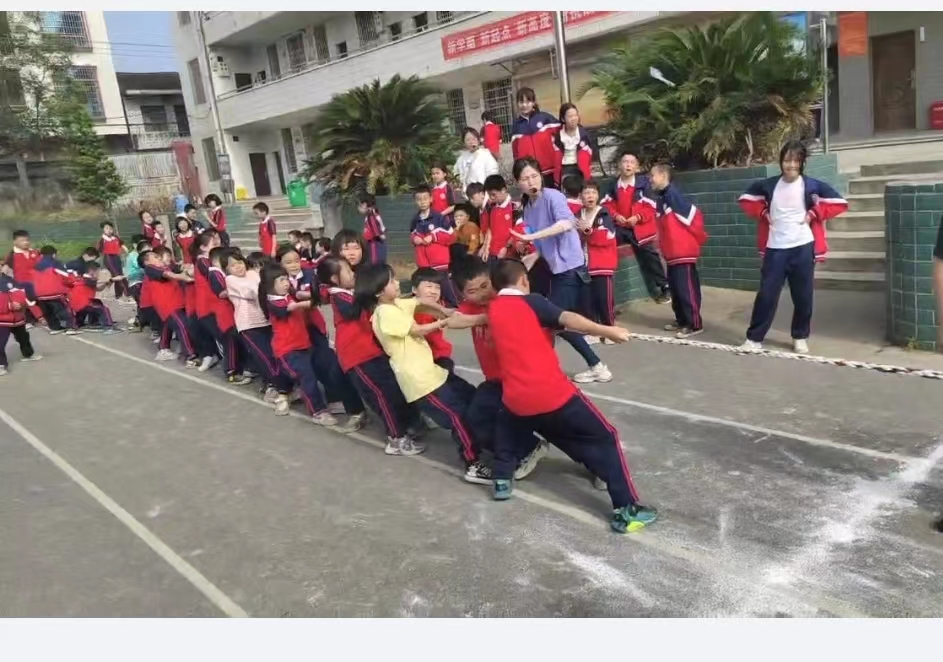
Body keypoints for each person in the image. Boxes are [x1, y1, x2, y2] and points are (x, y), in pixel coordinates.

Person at [486, 258, 657, 531]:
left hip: (517, 399)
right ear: (523, 281)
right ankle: (627, 510)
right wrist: (608, 331)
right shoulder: (533, 301)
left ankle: (502, 479)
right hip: (552, 393)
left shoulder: (494, 309)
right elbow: (570, 319)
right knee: (606, 436)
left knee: (513, 422)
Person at [356, 262, 491, 483]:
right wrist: (447, 321)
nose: (397, 283)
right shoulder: (384, 312)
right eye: (391, 281)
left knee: (471, 396)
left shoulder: (396, 303)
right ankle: (473, 463)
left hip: (431, 372)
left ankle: (487, 442)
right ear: (378, 290)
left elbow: (419, 303)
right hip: (420, 382)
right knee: (456, 416)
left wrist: (444, 309)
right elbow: (417, 329)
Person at [738, 140, 848, 354]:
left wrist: (813, 214)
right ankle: (754, 339)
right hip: (775, 249)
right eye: (787, 160)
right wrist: (763, 213)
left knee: (803, 296)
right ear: (781, 162)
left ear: (802, 163)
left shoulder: (812, 186)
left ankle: (800, 336)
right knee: (767, 294)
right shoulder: (769, 185)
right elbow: (745, 199)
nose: (791, 165)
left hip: (803, 247)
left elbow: (839, 202)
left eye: (796, 161)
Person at [509, 157, 611, 384]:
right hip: (554, 268)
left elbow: (565, 224)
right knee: (554, 320)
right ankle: (588, 365)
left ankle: (594, 366)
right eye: (525, 178)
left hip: (571, 269)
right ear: (518, 183)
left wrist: (531, 237)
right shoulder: (528, 206)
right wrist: (534, 255)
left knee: (555, 319)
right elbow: (546, 240)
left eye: (535, 175)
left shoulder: (553, 196)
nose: (531, 181)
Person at [452, 257, 550, 482]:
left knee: (559, 426)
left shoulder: (509, 302)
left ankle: (598, 466)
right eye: (473, 291)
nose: (482, 294)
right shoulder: (471, 307)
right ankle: (527, 449)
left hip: (527, 378)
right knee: (477, 417)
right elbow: (455, 320)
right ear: (464, 295)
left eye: (485, 286)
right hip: (496, 381)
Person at [318, 255, 420, 454]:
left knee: (391, 390)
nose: (353, 274)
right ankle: (396, 439)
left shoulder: (349, 293)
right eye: (347, 271)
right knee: (381, 395)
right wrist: (372, 289)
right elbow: (354, 309)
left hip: (371, 351)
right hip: (357, 357)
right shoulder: (339, 295)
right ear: (334, 279)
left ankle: (406, 426)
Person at [278, 245, 365, 432]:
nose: (294, 265)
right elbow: (281, 305)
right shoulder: (277, 282)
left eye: (296, 260)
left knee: (330, 364)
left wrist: (312, 296)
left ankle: (338, 400)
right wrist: (303, 298)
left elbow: (324, 292)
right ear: (280, 264)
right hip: (293, 334)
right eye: (288, 262)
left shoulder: (310, 274)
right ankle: (310, 405)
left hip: (313, 327)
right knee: (305, 371)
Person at [258, 263, 338, 427]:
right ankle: (318, 411)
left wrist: (316, 292)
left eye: (286, 278)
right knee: (307, 377)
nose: (286, 282)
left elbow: (302, 297)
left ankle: (284, 393)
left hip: (302, 345)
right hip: (288, 349)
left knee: (300, 375)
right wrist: (311, 301)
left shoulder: (289, 295)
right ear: (270, 285)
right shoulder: (274, 302)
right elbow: (290, 308)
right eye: (281, 280)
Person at [223, 250, 293, 414]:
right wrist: (270, 293)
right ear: (227, 269)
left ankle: (281, 387)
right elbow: (250, 292)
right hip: (248, 325)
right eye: (233, 265)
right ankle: (279, 389)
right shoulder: (230, 280)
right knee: (265, 358)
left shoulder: (253, 274)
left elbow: (264, 285)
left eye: (239, 262)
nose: (238, 267)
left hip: (266, 321)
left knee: (276, 354)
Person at [649, 164, 709, 339]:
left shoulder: (673, 195)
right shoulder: (663, 197)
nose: (650, 179)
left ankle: (694, 323)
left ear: (663, 175)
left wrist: (690, 242)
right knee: (676, 289)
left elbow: (692, 218)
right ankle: (682, 320)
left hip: (682, 252)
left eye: (652, 175)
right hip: (673, 253)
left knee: (686, 289)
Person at [602, 152, 670, 304]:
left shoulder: (644, 184)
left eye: (631, 162)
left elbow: (651, 206)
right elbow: (606, 204)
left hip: (639, 228)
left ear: (636, 167)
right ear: (619, 165)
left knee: (650, 255)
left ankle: (665, 286)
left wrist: (637, 217)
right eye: (625, 161)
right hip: (620, 227)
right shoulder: (613, 185)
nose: (627, 165)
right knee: (606, 245)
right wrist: (615, 216)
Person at [143, 247, 198, 365]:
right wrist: (183, 277)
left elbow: (178, 268)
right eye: (156, 257)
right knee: (183, 326)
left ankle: (163, 347)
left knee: (170, 325)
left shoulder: (165, 267)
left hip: (177, 303)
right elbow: (168, 274)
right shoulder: (150, 269)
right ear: (147, 262)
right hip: (169, 306)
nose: (159, 259)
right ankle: (190, 355)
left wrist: (187, 268)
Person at [205, 247, 252, 385]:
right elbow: (221, 293)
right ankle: (231, 372)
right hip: (225, 314)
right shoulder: (215, 274)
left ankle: (241, 367)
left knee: (236, 341)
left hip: (231, 313)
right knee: (230, 341)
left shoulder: (221, 274)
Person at [578, 180, 618, 333]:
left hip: (602, 265)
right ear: (581, 196)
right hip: (584, 265)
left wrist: (587, 231)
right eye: (587, 192)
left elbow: (606, 237)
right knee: (588, 301)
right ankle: (593, 331)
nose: (590, 196)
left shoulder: (604, 214)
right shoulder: (578, 214)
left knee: (605, 300)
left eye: (593, 192)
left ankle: (611, 330)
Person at [410, 185, 457, 305]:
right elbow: (413, 234)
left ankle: (453, 308)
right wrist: (415, 238)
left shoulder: (439, 217)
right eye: (419, 199)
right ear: (415, 201)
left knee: (444, 288)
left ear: (431, 199)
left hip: (439, 263)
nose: (422, 202)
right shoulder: (415, 220)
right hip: (424, 263)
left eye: (425, 198)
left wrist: (434, 236)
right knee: (428, 290)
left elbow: (451, 236)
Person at [511, 88, 560, 189]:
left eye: (528, 101)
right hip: (529, 175)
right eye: (521, 102)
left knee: (552, 199)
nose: (524, 105)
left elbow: (562, 134)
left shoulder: (545, 118)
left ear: (533, 102)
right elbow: (516, 152)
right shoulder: (516, 125)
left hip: (549, 171)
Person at [0, 265, 44, 376]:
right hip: (2, 320)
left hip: (18, 318)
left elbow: (23, 296)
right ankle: (1, 364)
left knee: (24, 338)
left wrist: (38, 315)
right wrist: (9, 306)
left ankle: (28, 354)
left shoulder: (11, 281)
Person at [411, 268, 455, 372]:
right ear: (414, 290)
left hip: (440, 355)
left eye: (437, 288)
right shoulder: (411, 309)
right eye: (429, 286)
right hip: (420, 357)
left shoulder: (439, 306)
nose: (433, 291)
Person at [32, 246, 78, 335]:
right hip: (55, 292)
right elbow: (65, 276)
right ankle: (71, 326)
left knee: (48, 312)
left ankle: (55, 327)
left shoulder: (35, 265)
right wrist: (73, 282)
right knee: (64, 309)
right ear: (54, 254)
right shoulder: (56, 263)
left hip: (39, 294)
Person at [66, 262, 118, 333]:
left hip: (77, 305)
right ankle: (109, 327)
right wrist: (111, 279)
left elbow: (98, 288)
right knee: (103, 309)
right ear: (91, 271)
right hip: (84, 302)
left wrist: (106, 283)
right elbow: (95, 283)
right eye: (98, 272)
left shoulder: (81, 278)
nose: (99, 274)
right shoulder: (87, 277)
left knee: (96, 303)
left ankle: (91, 322)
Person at [552, 103, 593, 186]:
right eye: (570, 116)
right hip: (564, 169)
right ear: (563, 119)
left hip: (580, 168)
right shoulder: (557, 136)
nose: (573, 118)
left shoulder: (584, 135)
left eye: (575, 115)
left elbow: (591, 153)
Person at [479, 175, 516, 264]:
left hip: (508, 254)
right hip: (492, 252)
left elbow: (518, 231)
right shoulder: (490, 207)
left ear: (503, 190)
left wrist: (506, 247)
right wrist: (485, 247)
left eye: (494, 194)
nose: (491, 198)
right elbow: (488, 228)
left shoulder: (515, 207)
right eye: (489, 195)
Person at [454, 127, 499, 192]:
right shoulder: (462, 158)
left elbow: (492, 173)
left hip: (482, 192)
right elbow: (456, 172)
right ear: (464, 142)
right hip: (468, 193)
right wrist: (459, 182)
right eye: (468, 140)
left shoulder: (485, 155)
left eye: (473, 139)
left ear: (478, 140)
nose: (471, 142)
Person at [358, 194, 387, 265]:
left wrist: (379, 235)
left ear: (365, 204)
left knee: (374, 262)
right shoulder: (371, 214)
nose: (359, 208)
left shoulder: (371, 216)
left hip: (374, 243)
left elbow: (376, 228)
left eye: (361, 205)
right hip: (372, 242)